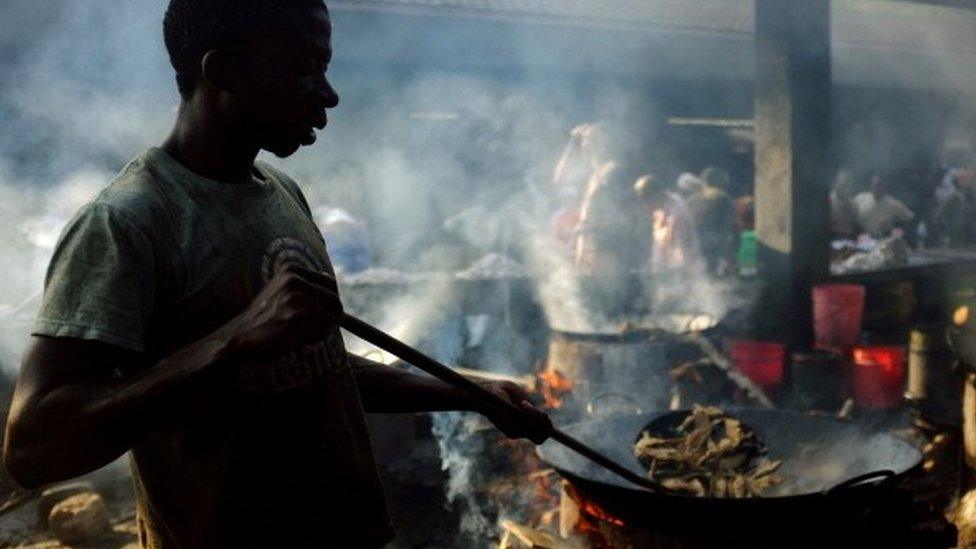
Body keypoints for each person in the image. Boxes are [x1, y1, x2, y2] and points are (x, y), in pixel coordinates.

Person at [2, 2, 552, 547]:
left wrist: (472, 395)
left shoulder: (283, 193)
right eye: (305, 67)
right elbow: (34, 448)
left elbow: (318, 367)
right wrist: (233, 341)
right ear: (222, 72)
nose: (328, 92)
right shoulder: (127, 222)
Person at [685, 167, 736, 275]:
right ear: (720, 181)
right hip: (715, 251)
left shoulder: (691, 200)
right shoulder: (723, 198)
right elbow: (728, 227)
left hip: (695, 251)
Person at [853, 174, 915, 238]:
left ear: (884, 186)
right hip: (860, 239)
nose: (876, 188)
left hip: (883, 240)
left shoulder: (894, 204)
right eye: (874, 184)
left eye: (879, 185)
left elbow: (910, 219)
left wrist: (899, 230)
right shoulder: (860, 199)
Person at [829, 169, 859, 238]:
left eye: (847, 183)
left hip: (847, 236)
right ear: (836, 183)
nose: (845, 186)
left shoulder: (854, 204)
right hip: (831, 235)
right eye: (842, 183)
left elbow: (854, 224)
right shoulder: (828, 199)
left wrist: (849, 209)